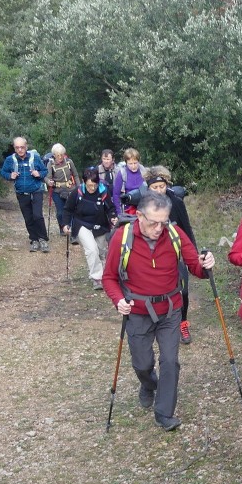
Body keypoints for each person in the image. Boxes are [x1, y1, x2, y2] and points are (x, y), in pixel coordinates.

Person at [101, 191, 215, 431]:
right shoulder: (122, 238)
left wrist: (205, 265)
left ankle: (164, 413)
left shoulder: (174, 234)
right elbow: (109, 277)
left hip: (171, 310)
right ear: (139, 215)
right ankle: (148, 383)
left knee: (170, 361)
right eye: (153, 222)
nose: (158, 228)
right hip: (137, 311)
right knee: (142, 364)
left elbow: (195, 266)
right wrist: (118, 299)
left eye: (163, 222)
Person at [144, 165, 196, 345]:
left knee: (184, 290)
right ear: (148, 187)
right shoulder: (143, 205)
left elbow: (187, 229)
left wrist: (194, 257)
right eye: (155, 187)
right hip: (151, 254)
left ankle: (183, 322)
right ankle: (157, 320)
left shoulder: (176, 202)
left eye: (162, 186)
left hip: (177, 251)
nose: (159, 190)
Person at [62, 166, 117, 290]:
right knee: (92, 250)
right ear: (83, 181)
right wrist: (65, 224)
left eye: (94, 185)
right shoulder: (77, 192)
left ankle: (105, 276)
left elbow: (111, 209)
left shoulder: (103, 192)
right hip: (82, 224)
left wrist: (113, 217)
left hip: (100, 225)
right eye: (89, 185)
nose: (92, 188)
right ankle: (97, 278)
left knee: (102, 252)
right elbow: (68, 210)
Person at [0, 136, 50, 252]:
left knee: (38, 216)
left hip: (36, 190)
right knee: (28, 218)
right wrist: (9, 176)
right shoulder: (10, 160)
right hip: (21, 192)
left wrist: (39, 174)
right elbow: (2, 172)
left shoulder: (35, 158)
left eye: (22, 147)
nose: (20, 150)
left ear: (26, 146)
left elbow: (45, 171)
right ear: (14, 148)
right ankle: (34, 240)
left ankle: (43, 239)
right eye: (17, 148)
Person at [46, 144, 80, 242]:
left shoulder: (69, 162)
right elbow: (47, 177)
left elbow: (76, 175)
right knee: (61, 212)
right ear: (54, 155)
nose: (60, 157)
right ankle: (62, 227)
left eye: (61, 155)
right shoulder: (50, 164)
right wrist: (49, 182)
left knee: (73, 211)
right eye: (58, 155)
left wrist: (79, 187)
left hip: (71, 189)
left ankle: (73, 232)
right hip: (57, 191)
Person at [112, 148, 146, 217]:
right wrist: (119, 213)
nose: (133, 166)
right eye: (130, 164)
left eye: (135, 163)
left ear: (138, 161)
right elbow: (116, 195)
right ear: (126, 162)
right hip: (128, 210)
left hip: (143, 208)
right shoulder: (122, 173)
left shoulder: (143, 171)